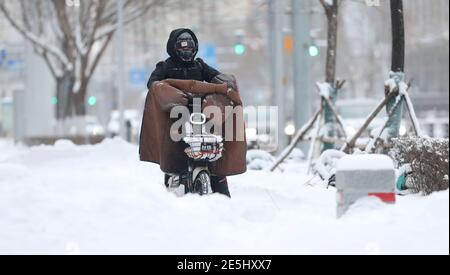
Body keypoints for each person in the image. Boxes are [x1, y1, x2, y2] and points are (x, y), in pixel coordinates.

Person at [147, 28, 236, 197]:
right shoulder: (165, 66)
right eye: (182, 48)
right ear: (174, 48)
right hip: (174, 117)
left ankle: (222, 195)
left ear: (195, 48)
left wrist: (227, 83)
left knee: (214, 147)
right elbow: (153, 84)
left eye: (189, 48)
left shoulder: (200, 65)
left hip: (200, 115)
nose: (186, 51)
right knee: (175, 146)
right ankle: (174, 174)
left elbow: (216, 78)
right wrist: (167, 92)